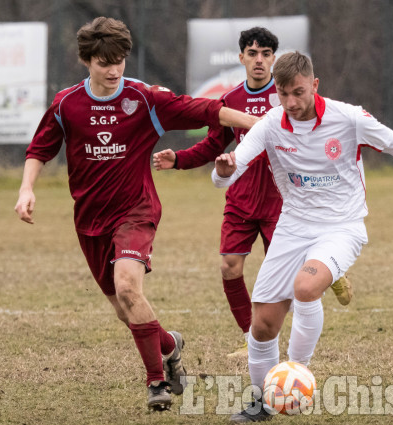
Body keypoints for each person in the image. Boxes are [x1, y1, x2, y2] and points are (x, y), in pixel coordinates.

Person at [212, 52, 393, 422]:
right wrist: (223, 171)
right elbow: (230, 170)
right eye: (284, 95)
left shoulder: (348, 118)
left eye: (299, 93)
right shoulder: (272, 124)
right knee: (263, 325)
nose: (291, 103)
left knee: (305, 288)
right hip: (293, 225)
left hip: (342, 227)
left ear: (314, 85)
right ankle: (262, 402)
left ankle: (295, 376)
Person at [14, 17, 258, 411]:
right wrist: (27, 188)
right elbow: (40, 148)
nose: (113, 70)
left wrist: (262, 125)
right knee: (123, 310)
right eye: (103, 63)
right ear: (86, 61)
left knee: (129, 287)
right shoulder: (67, 104)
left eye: (120, 61)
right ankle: (170, 344)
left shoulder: (144, 99)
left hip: (136, 210)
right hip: (90, 219)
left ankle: (156, 382)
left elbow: (208, 110)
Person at [153, 28, 352, 357]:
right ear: (241, 58)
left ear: (274, 59)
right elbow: (213, 146)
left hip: (282, 201)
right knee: (230, 267)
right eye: (252, 53)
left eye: (266, 54)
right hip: (241, 199)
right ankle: (252, 340)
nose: (259, 60)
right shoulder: (229, 102)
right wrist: (178, 160)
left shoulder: (288, 96)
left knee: (296, 274)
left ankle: (332, 267)